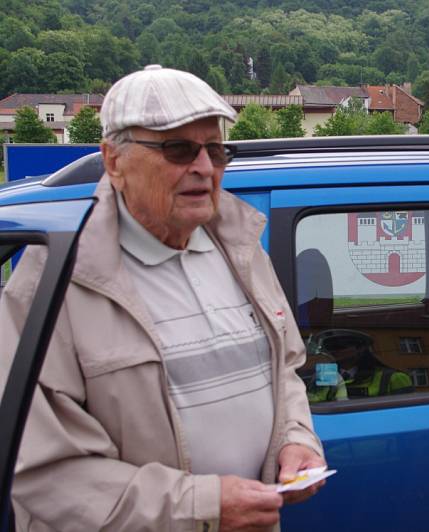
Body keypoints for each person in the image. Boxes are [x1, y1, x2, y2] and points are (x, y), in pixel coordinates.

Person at [0, 65, 325, 531]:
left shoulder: (242, 250)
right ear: (113, 161)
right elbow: (43, 472)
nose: (204, 167)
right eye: (178, 149)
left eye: (216, 150)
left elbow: (286, 371)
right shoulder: (53, 281)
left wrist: (296, 440)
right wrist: (202, 506)